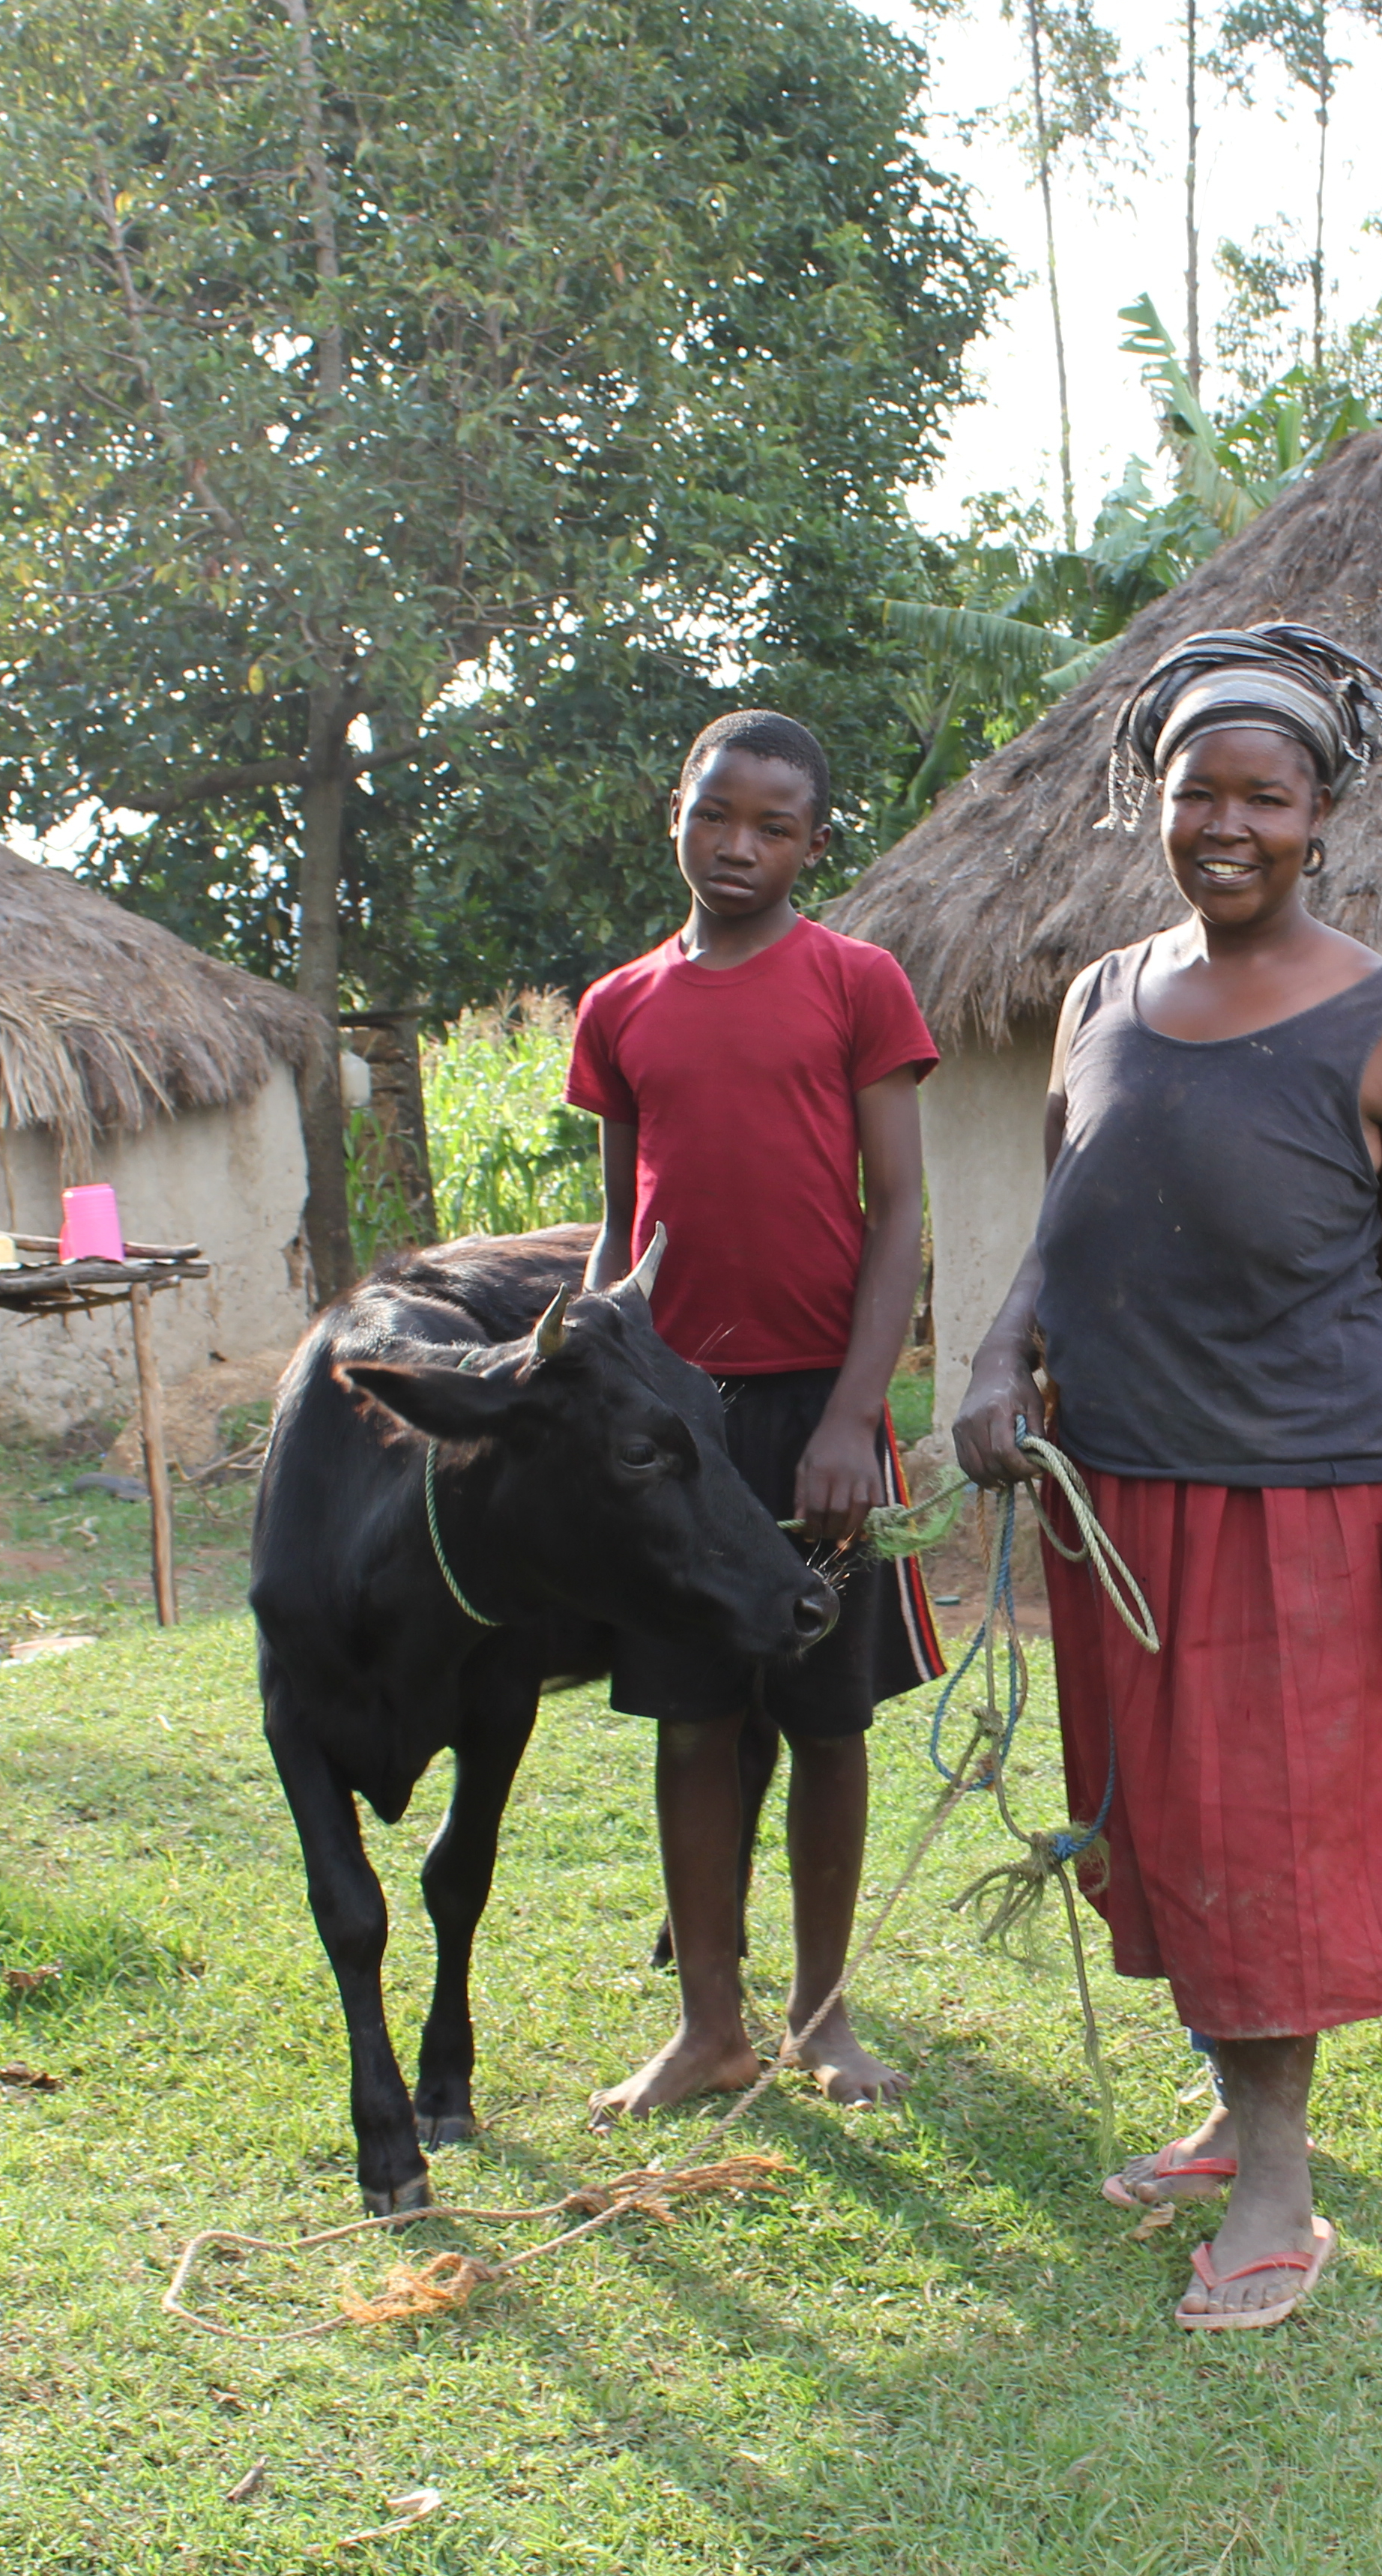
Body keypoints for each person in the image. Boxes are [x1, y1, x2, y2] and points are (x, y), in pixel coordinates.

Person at [952, 623, 1382, 2330]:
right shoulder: (1103, 997)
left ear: (1323, 813)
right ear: (1154, 804)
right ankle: (1226, 2111)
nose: (1229, 823)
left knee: (1264, 1835)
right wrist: (993, 1356)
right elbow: (1068, 1218)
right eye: (1200, 793)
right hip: (1112, 1494)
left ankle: (1276, 2188)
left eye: (1268, 794)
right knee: (1162, 1822)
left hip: (1297, 1493)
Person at [567, 707, 945, 2118]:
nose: (739, 848)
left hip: (816, 1411)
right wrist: (601, 1387)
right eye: (717, 815)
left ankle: (824, 2016)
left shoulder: (857, 984)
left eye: (773, 827)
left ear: (812, 843)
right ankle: (709, 2026)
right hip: (675, 1425)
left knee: (826, 1716)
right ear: (678, 811)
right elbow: (621, 1224)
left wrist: (858, 1415)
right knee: (690, 1720)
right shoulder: (619, 1008)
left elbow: (898, 1207)